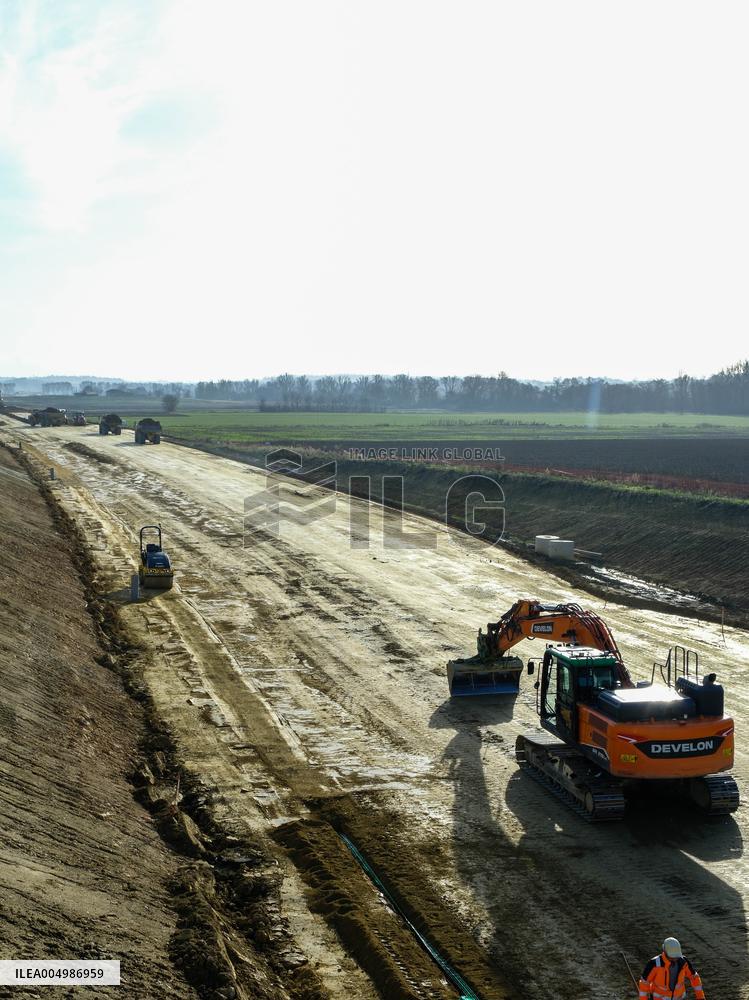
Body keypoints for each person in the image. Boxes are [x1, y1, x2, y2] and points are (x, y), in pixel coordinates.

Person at [638, 937, 705, 999]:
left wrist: (700, 997)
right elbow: (644, 983)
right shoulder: (654, 964)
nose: (675, 959)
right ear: (665, 952)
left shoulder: (683, 962)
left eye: (676, 957)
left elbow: (694, 977)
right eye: (672, 957)